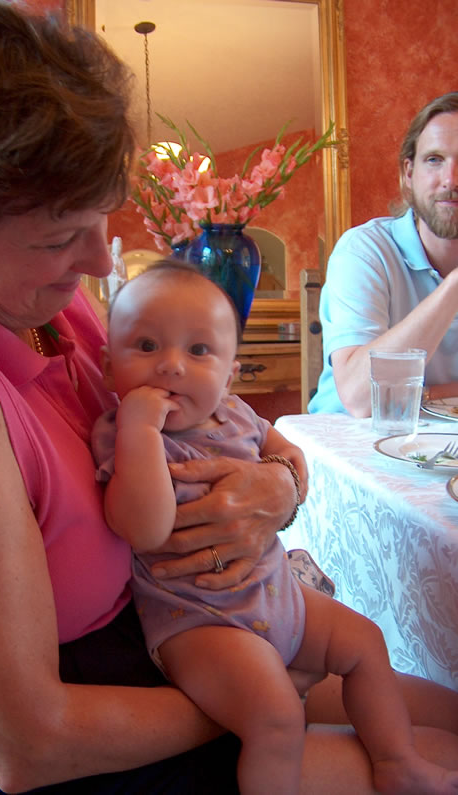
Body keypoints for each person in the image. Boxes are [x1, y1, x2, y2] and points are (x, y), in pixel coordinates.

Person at [0, 1, 457, 792]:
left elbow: (220, 424)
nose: (101, 263)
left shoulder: (39, 300)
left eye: (97, 221)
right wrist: (268, 692)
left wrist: (279, 483)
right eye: (57, 235)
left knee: (444, 708)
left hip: (173, 646)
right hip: (102, 728)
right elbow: (26, 744)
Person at [93, 261, 458, 795]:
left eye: (197, 351)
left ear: (229, 372)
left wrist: (282, 470)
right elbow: (144, 529)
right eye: (146, 347)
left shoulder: (235, 413)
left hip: (274, 593)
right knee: (278, 718)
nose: (170, 367)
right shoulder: (123, 436)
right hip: (199, 622)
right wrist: (141, 430)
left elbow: (281, 443)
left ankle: (396, 760)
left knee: (365, 641)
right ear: (107, 367)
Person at [309, 92, 458, 416]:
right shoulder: (363, 252)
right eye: (434, 160)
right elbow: (362, 399)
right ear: (408, 173)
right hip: (348, 452)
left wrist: (425, 395)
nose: (451, 179)